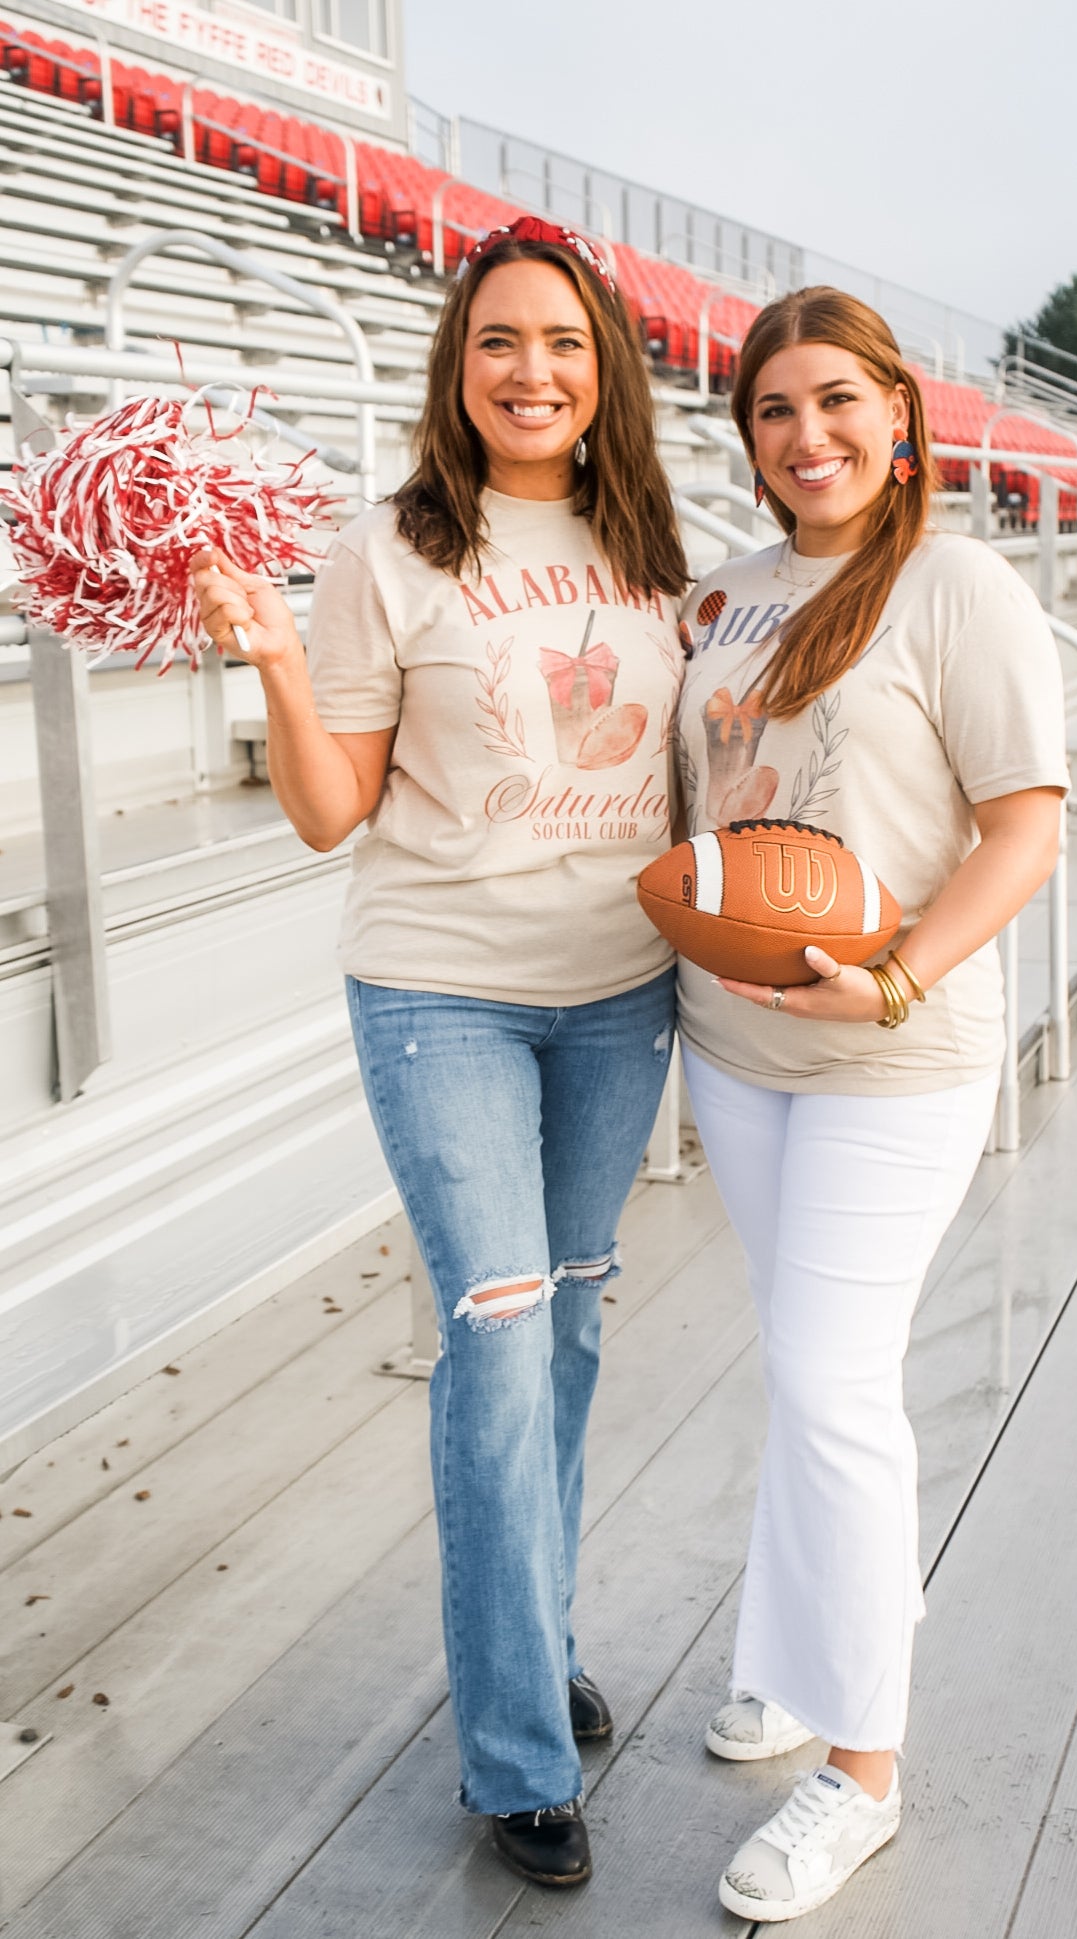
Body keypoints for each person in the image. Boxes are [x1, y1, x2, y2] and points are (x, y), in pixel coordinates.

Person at [189, 216, 689, 1890]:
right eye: (499, 343)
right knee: (492, 1336)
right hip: (443, 991)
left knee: (566, 1336)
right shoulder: (390, 551)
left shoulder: (653, 539)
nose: (532, 370)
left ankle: (526, 1644)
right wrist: (270, 659)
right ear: (455, 369)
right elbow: (334, 814)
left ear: (603, 365)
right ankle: (514, 1757)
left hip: (621, 995)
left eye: (562, 342)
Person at [673, 287, 1069, 1923]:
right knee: (802, 1366)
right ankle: (795, 1653)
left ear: (900, 415)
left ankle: (862, 1770)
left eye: (840, 401)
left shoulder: (958, 583)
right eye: (775, 409)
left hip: (894, 1049)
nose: (809, 435)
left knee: (834, 1381)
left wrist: (897, 973)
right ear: (749, 436)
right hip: (741, 1046)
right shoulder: (737, 597)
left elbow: (1023, 826)